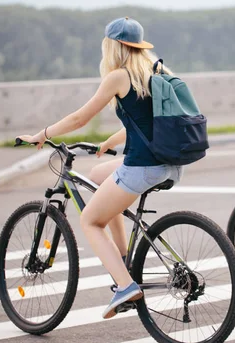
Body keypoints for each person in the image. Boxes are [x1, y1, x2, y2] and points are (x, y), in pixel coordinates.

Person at [18, 17, 183, 318]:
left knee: (91, 221)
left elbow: (79, 119)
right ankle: (123, 258)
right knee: (97, 176)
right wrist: (112, 140)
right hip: (168, 163)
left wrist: (41, 135)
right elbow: (151, 121)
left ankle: (126, 286)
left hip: (143, 166)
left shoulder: (118, 77)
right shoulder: (155, 71)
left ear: (114, 46)